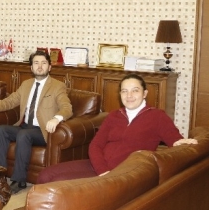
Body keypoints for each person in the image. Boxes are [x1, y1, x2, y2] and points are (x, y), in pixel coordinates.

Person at [37, 74, 197, 183]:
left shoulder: (157, 116)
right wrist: (103, 170)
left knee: (59, 183)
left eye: (135, 91)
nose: (129, 95)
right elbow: (95, 145)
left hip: (124, 174)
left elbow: (174, 140)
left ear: (145, 93)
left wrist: (182, 143)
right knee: (45, 175)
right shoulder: (114, 115)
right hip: (99, 167)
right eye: (124, 91)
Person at [0, 50, 72, 194]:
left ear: (49, 67)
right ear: (31, 67)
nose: (39, 66)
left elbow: (67, 108)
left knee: (24, 135)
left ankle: (19, 180)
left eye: (43, 63)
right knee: (0, 130)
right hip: (25, 126)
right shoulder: (26, 84)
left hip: (42, 130)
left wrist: (56, 118)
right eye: (36, 63)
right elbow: (9, 101)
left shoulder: (57, 86)